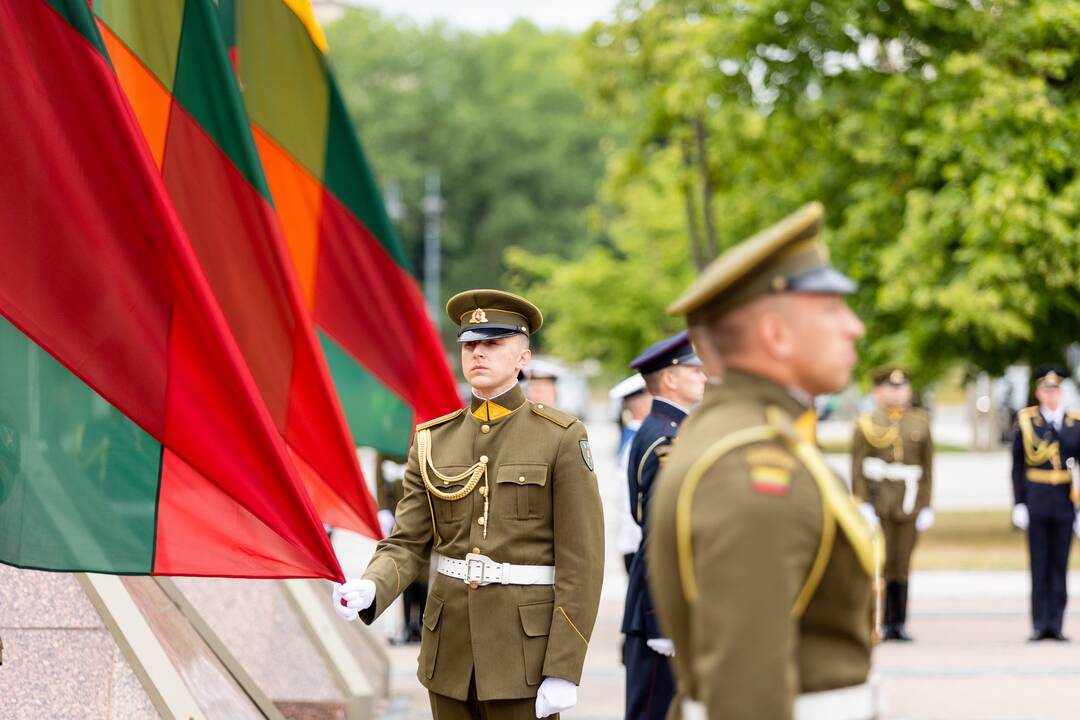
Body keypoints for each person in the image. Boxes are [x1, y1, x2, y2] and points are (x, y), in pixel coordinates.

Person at [648, 202, 883, 720]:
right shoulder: (749, 467)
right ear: (776, 334)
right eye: (832, 309)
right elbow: (746, 693)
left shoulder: (755, 436)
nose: (854, 328)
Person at [332, 289, 604, 719]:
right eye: (470, 344)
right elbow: (406, 543)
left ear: (523, 358)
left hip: (524, 656)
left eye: (493, 343)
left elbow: (581, 563)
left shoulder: (561, 437)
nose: (478, 352)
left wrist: (564, 667)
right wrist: (372, 585)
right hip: (450, 652)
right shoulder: (433, 439)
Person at [621, 331, 705, 720]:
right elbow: (659, 531)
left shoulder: (670, 430)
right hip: (661, 608)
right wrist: (661, 619)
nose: (703, 376)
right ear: (669, 379)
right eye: (695, 370)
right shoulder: (665, 439)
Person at [851, 366, 934, 641]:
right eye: (890, 387)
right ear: (878, 391)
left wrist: (926, 505)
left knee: (902, 563)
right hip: (879, 502)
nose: (897, 393)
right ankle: (879, 621)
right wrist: (862, 502)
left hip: (909, 502)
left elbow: (927, 467)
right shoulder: (866, 422)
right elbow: (858, 466)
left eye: (901, 387)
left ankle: (898, 623)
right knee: (879, 565)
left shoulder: (920, 422)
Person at [1011, 364, 1080, 641]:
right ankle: (1040, 623)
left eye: (1055, 389)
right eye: (1046, 389)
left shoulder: (1074, 423)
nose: (1051, 394)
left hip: (1064, 500)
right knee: (1039, 564)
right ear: (1039, 392)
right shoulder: (1027, 421)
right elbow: (1017, 467)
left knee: (1060, 565)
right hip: (1037, 498)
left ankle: (1057, 623)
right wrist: (1019, 503)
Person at [374, 452, 427, 644]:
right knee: (403, 572)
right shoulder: (386, 443)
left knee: (424, 574)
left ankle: (420, 624)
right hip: (396, 510)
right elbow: (380, 480)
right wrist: (383, 509)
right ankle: (407, 625)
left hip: (423, 513)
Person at [609, 374, 651, 572]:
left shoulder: (631, 436)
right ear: (641, 403)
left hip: (631, 542)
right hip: (637, 543)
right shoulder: (638, 440)